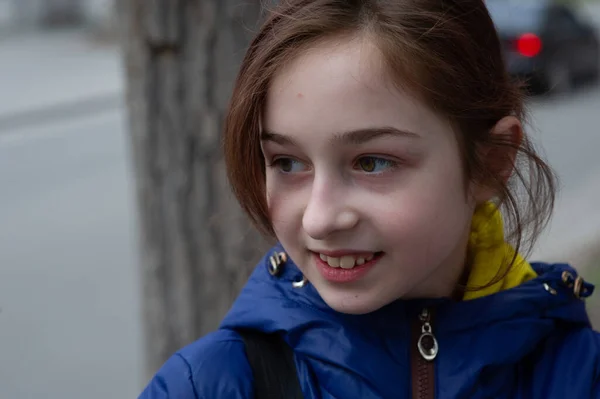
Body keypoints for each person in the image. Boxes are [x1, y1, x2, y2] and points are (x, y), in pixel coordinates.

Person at [139, 0, 600, 398]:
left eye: (372, 162)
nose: (320, 219)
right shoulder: (208, 386)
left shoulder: (579, 378)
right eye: (287, 162)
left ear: (490, 163)